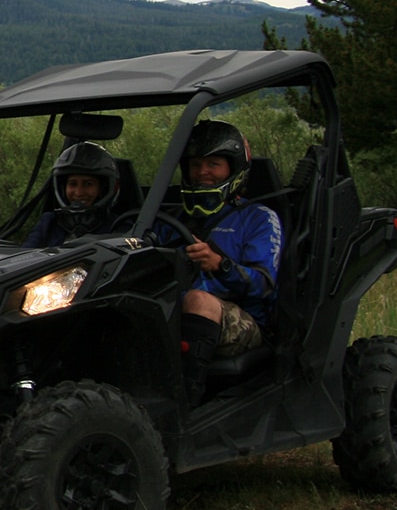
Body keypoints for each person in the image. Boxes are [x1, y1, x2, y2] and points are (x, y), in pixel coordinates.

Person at [154, 120, 283, 405]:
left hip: (243, 322)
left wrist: (220, 265)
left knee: (200, 301)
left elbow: (263, 285)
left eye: (214, 164)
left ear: (233, 169)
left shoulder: (258, 218)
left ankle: (184, 406)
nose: (203, 173)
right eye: (196, 165)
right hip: (171, 310)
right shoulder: (169, 218)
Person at [22, 141, 122, 249]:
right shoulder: (49, 222)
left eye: (88, 184)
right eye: (72, 184)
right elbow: (26, 256)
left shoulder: (119, 226)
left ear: (104, 189)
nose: (79, 192)